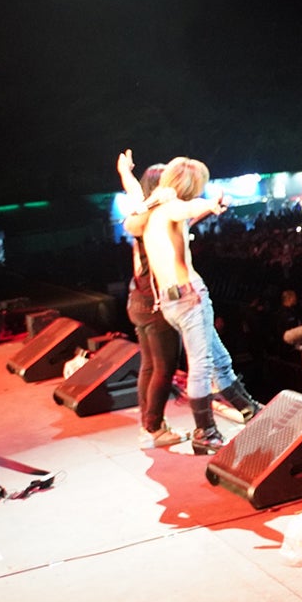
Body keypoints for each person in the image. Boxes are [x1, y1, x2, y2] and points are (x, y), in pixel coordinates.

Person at [130, 156, 261, 455]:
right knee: (202, 366)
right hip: (189, 297)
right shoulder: (172, 207)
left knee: (219, 359)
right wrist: (209, 204)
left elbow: (185, 214)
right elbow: (186, 209)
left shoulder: (151, 216)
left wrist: (208, 209)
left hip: (170, 301)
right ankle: (206, 432)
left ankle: (248, 409)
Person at [116, 152, 184, 449]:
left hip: (138, 301)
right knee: (164, 368)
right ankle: (154, 428)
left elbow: (134, 192)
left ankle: (148, 424)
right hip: (156, 305)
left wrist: (125, 172)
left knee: (148, 365)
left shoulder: (142, 211)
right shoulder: (154, 216)